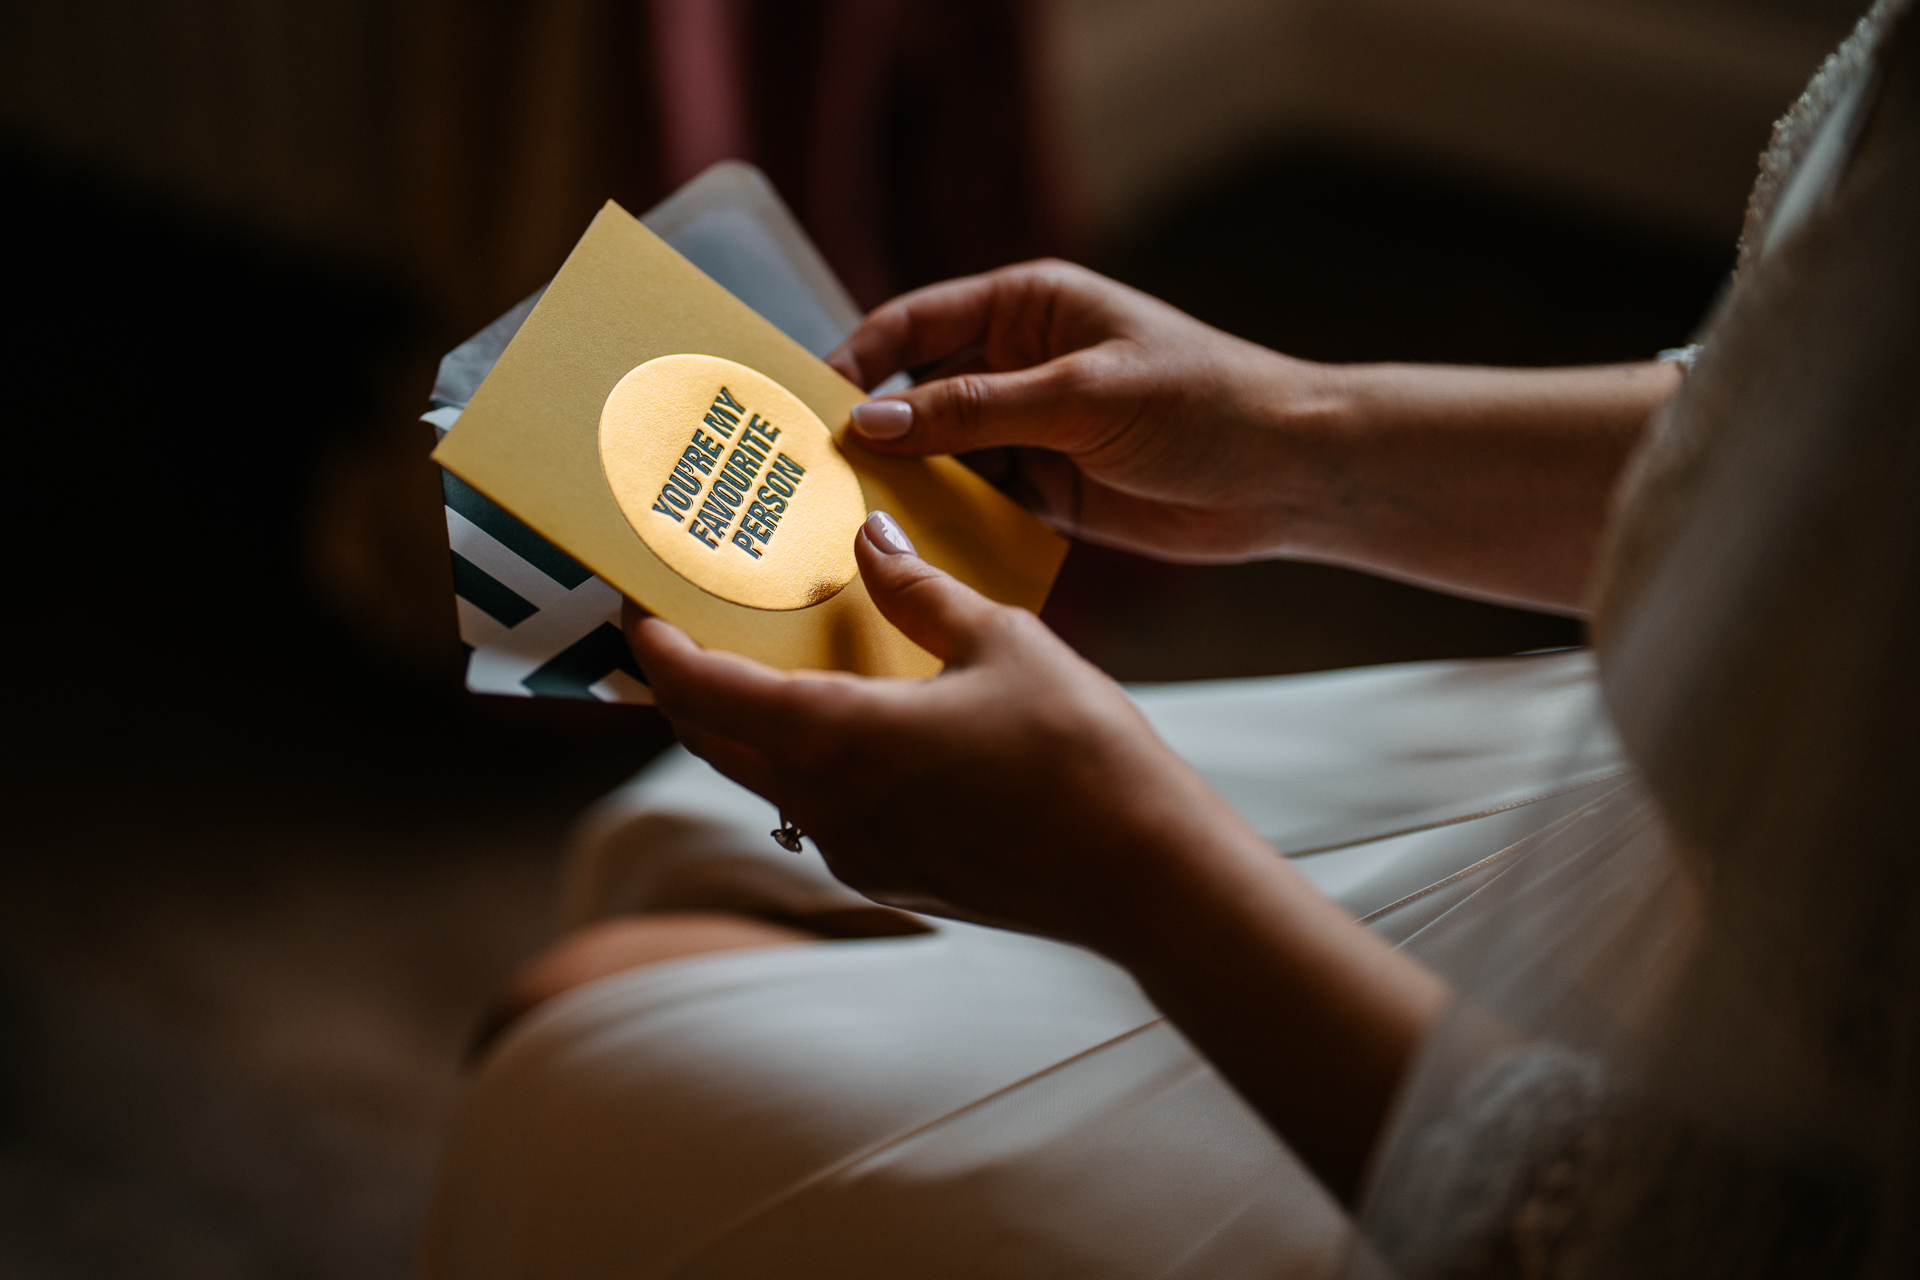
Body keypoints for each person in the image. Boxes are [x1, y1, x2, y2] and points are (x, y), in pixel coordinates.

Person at [420, 2, 1920, 1275]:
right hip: (1715, 777)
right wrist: (1303, 442)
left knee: (575, 1053)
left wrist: (1131, 866)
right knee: (673, 841)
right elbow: (1836, 459)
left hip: (1725, 1115)